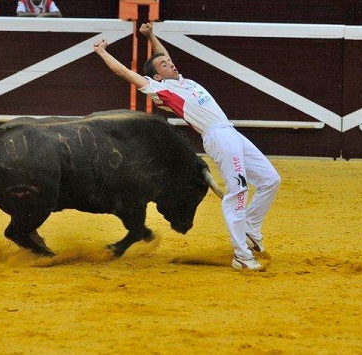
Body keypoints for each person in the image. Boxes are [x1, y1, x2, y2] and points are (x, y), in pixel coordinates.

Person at [93, 22, 281, 271]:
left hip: (230, 131)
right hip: (218, 136)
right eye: (163, 65)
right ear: (156, 76)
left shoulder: (184, 81)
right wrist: (103, 52)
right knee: (237, 193)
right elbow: (126, 73)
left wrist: (151, 35)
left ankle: (250, 228)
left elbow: (163, 56)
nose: (169, 63)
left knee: (271, 180)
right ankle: (241, 255)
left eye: (169, 62)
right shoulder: (161, 89)